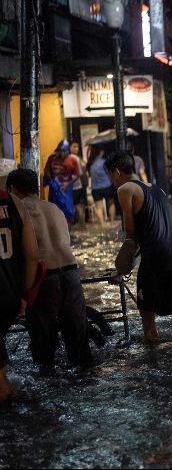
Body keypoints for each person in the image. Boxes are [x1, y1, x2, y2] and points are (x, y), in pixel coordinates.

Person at [106, 150, 172, 343]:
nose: (111, 180)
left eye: (110, 176)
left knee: (148, 321)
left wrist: (120, 269)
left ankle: (154, 357)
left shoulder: (125, 189)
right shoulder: (158, 189)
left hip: (155, 258)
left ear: (116, 172)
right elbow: (153, 229)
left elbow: (131, 235)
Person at [6, 169, 92, 370]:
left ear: (12, 189)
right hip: (71, 273)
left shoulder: (18, 209)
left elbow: (26, 254)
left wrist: (24, 293)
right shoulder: (55, 208)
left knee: (44, 348)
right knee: (79, 343)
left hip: (44, 277)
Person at [0, 187, 39, 402]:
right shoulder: (14, 201)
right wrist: (25, 295)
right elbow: (33, 256)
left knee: (2, 388)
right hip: (11, 297)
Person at [43, 139, 80, 224]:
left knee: (68, 212)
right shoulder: (52, 158)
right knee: (54, 211)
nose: (63, 153)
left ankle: (67, 233)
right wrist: (51, 181)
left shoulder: (73, 159)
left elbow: (77, 174)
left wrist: (68, 183)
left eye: (65, 151)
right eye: (61, 151)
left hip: (66, 189)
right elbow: (47, 170)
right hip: (54, 189)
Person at [87, 146, 116, 226]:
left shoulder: (90, 164)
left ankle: (102, 225)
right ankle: (112, 222)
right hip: (107, 186)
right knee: (111, 203)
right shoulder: (104, 162)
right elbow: (109, 173)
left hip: (95, 188)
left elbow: (90, 175)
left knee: (98, 207)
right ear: (100, 152)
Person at [69, 142, 88, 227]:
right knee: (78, 206)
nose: (77, 148)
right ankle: (81, 225)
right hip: (75, 186)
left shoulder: (77, 158)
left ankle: (82, 225)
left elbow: (82, 172)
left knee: (79, 206)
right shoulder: (72, 158)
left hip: (78, 186)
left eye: (77, 146)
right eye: (74, 146)